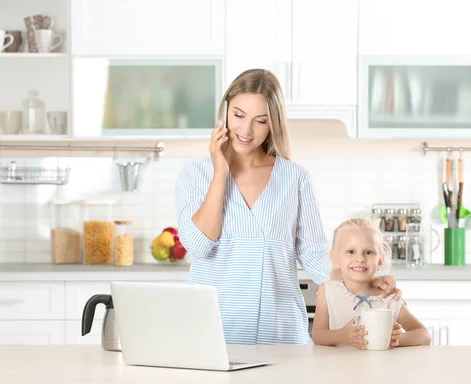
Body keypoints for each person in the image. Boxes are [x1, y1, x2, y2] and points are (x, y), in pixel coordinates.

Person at [174, 68, 401, 345]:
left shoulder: (294, 177)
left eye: (260, 121)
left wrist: (360, 278)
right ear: (225, 111)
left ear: (274, 124)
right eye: (238, 115)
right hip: (214, 333)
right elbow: (198, 246)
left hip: (280, 333)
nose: (246, 131)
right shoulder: (196, 174)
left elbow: (316, 255)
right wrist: (220, 171)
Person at [312, 217, 431, 349]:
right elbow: (318, 335)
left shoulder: (388, 298)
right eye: (351, 251)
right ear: (335, 259)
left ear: (379, 261)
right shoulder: (328, 291)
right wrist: (341, 336)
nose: (360, 258)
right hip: (336, 368)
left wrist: (397, 339)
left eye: (368, 252)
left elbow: (424, 335)